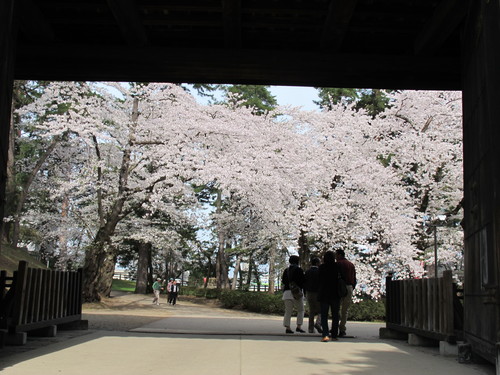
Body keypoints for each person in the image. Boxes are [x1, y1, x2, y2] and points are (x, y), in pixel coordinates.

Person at [318, 250, 341, 342]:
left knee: (324, 315)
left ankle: (325, 334)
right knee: (335, 315)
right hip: (335, 293)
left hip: (324, 294)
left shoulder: (322, 267)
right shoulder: (337, 267)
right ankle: (334, 335)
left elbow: (318, 280)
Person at [281, 255, 306, 334]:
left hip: (287, 292)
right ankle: (299, 326)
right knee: (301, 310)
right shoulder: (299, 270)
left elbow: (283, 281)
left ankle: (287, 327)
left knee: (288, 311)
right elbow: (302, 282)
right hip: (296, 292)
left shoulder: (286, 270)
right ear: (297, 261)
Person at [335, 249, 356, 337]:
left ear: (339, 255)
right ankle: (342, 328)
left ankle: (334, 327)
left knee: (336, 308)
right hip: (349, 287)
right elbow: (354, 278)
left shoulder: (337, 264)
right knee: (345, 310)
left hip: (339, 287)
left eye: (336, 255)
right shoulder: (351, 264)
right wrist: (352, 286)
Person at [304, 257, 322, 334]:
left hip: (309, 293)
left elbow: (304, 283)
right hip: (317, 293)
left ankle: (310, 328)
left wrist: (305, 293)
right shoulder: (319, 271)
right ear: (317, 263)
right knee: (321, 310)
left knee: (311, 311)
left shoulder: (307, 272)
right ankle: (318, 323)